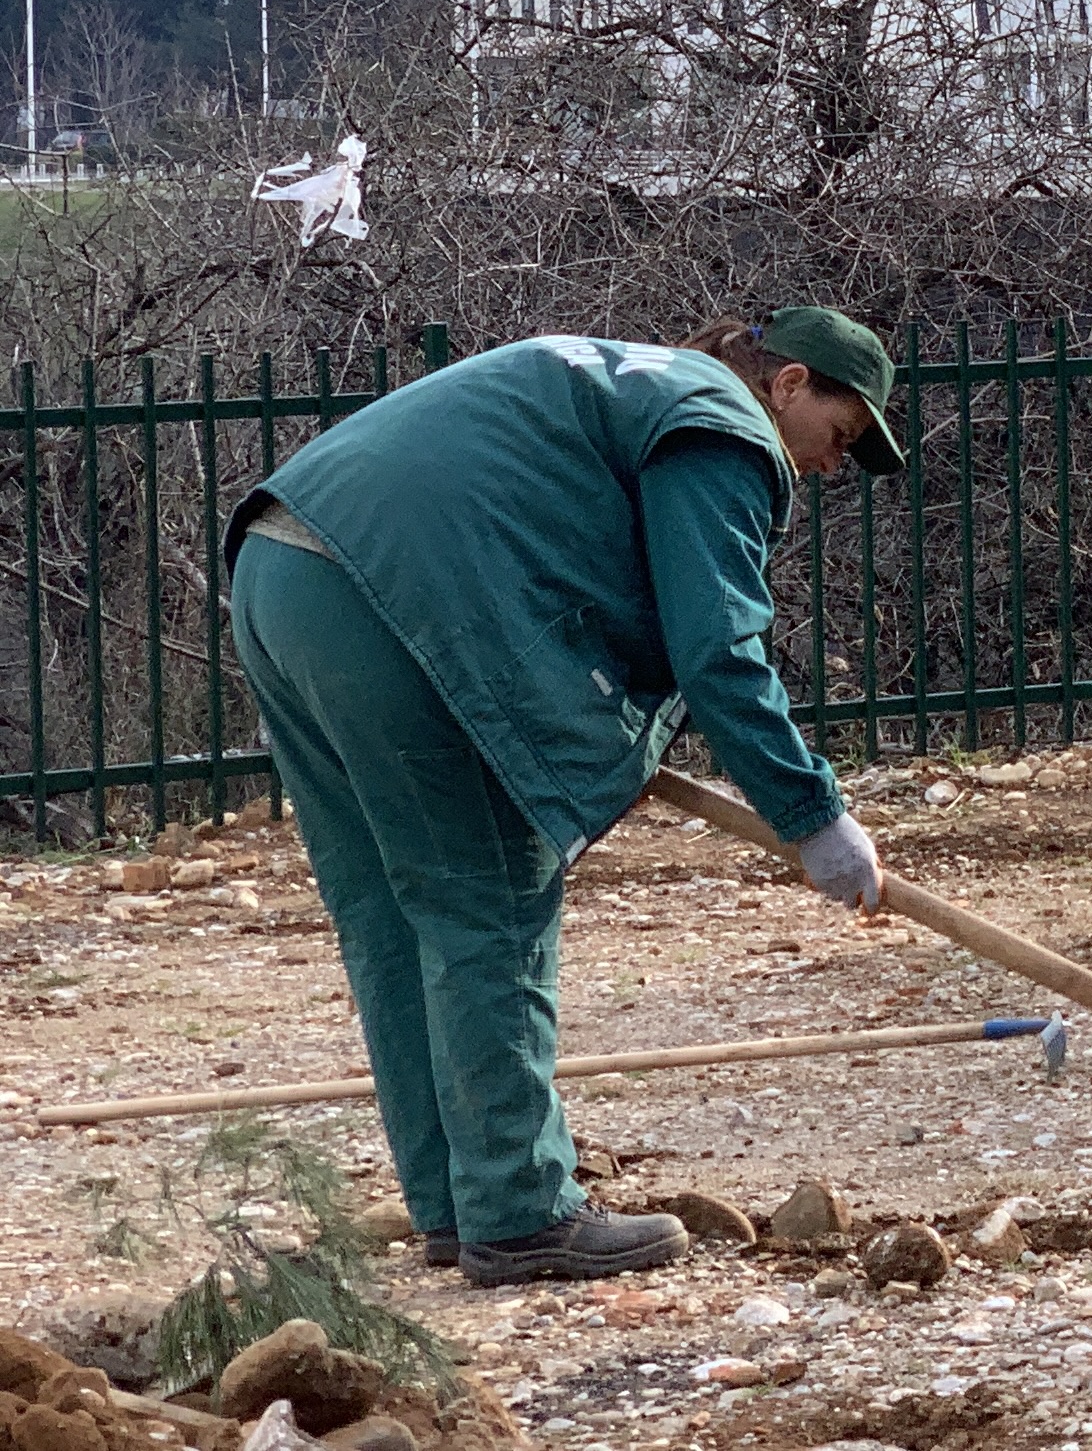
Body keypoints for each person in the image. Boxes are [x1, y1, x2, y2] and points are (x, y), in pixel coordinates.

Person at [226, 308, 907, 1285]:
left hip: (281, 568)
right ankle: (519, 1211)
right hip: (394, 599)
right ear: (790, 383)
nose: (832, 466)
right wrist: (813, 816)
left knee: (393, 913)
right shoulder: (722, 422)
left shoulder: (629, 380)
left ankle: (457, 1206)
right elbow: (715, 647)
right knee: (489, 897)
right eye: (840, 436)